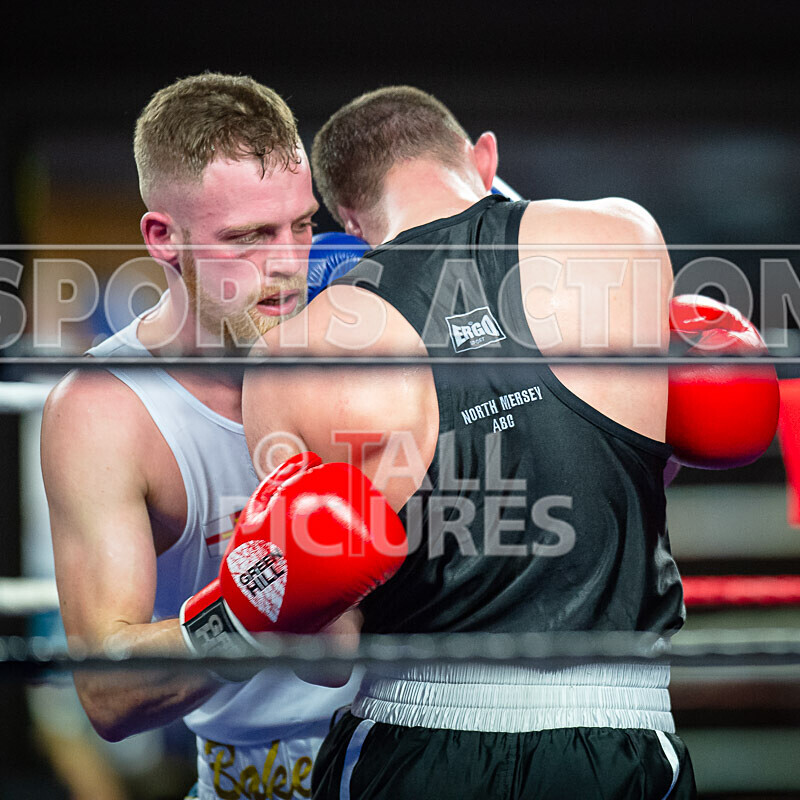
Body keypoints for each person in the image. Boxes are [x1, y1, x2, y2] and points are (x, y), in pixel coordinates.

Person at [241, 86, 697, 798]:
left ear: (349, 219)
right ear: (484, 157)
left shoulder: (295, 354)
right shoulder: (623, 236)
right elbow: (636, 474)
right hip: (620, 739)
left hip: (413, 745)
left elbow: (325, 660)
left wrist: (270, 590)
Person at [41, 72, 359, 800]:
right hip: (258, 778)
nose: (286, 263)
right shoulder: (106, 410)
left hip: (429, 756)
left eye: (301, 224)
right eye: (248, 236)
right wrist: (256, 607)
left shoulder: (368, 335)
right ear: (164, 238)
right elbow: (109, 694)